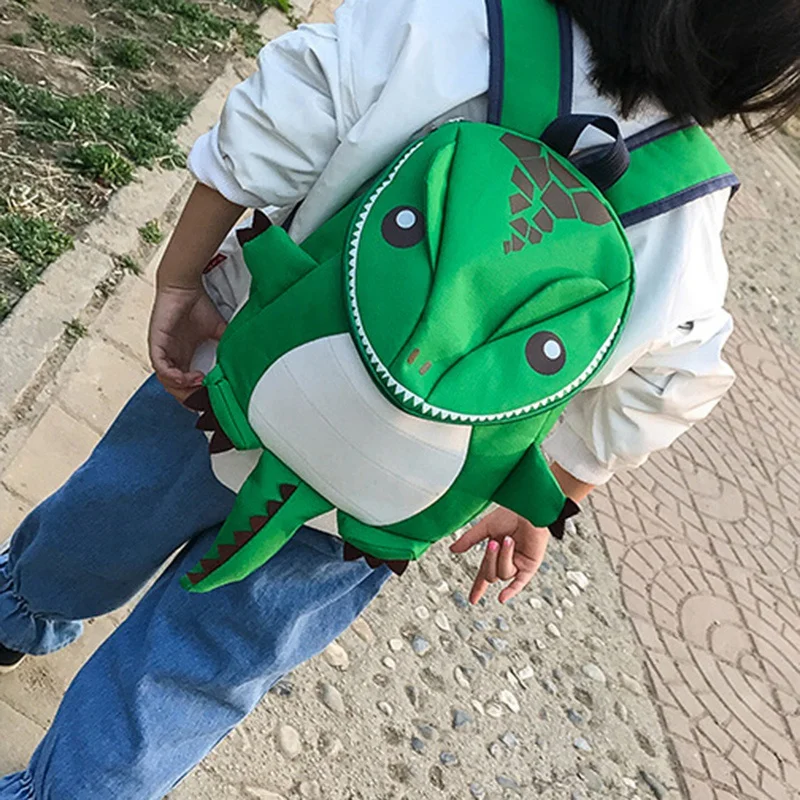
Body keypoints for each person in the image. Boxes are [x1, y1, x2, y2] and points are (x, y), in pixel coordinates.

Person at [1, 0, 798, 796]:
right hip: (382, 498)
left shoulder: (455, 23)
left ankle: (19, 610)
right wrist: (546, 495)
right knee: (199, 666)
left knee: (111, 513)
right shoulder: (688, 209)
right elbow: (675, 383)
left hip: (232, 378)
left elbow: (277, 119)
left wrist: (181, 277)